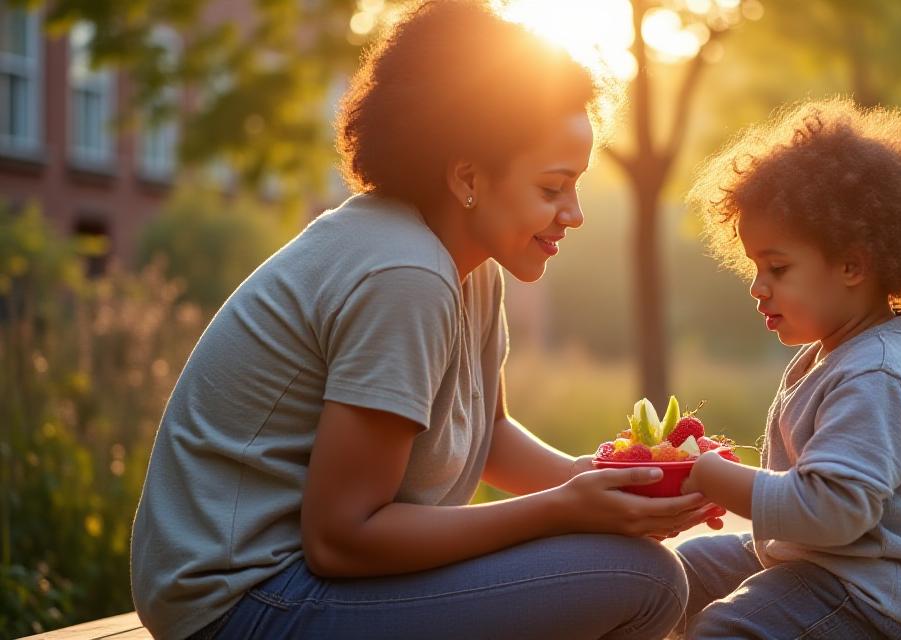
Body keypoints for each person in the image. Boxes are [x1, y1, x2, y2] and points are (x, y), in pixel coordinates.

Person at [129, 2, 722, 638]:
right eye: (552, 188)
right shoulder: (404, 274)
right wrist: (558, 511)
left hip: (300, 579)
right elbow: (341, 538)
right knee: (646, 581)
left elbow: (487, 434)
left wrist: (599, 483)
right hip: (242, 601)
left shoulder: (470, 263)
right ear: (468, 176)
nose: (574, 213)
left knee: (691, 570)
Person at [673, 98, 901, 639]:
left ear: (853, 264)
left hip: (873, 600)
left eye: (778, 267)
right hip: (827, 563)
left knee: (727, 629)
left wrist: (712, 477)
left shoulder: (876, 373)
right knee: (676, 576)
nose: (757, 286)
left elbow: (832, 511)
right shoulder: (833, 353)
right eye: (755, 266)